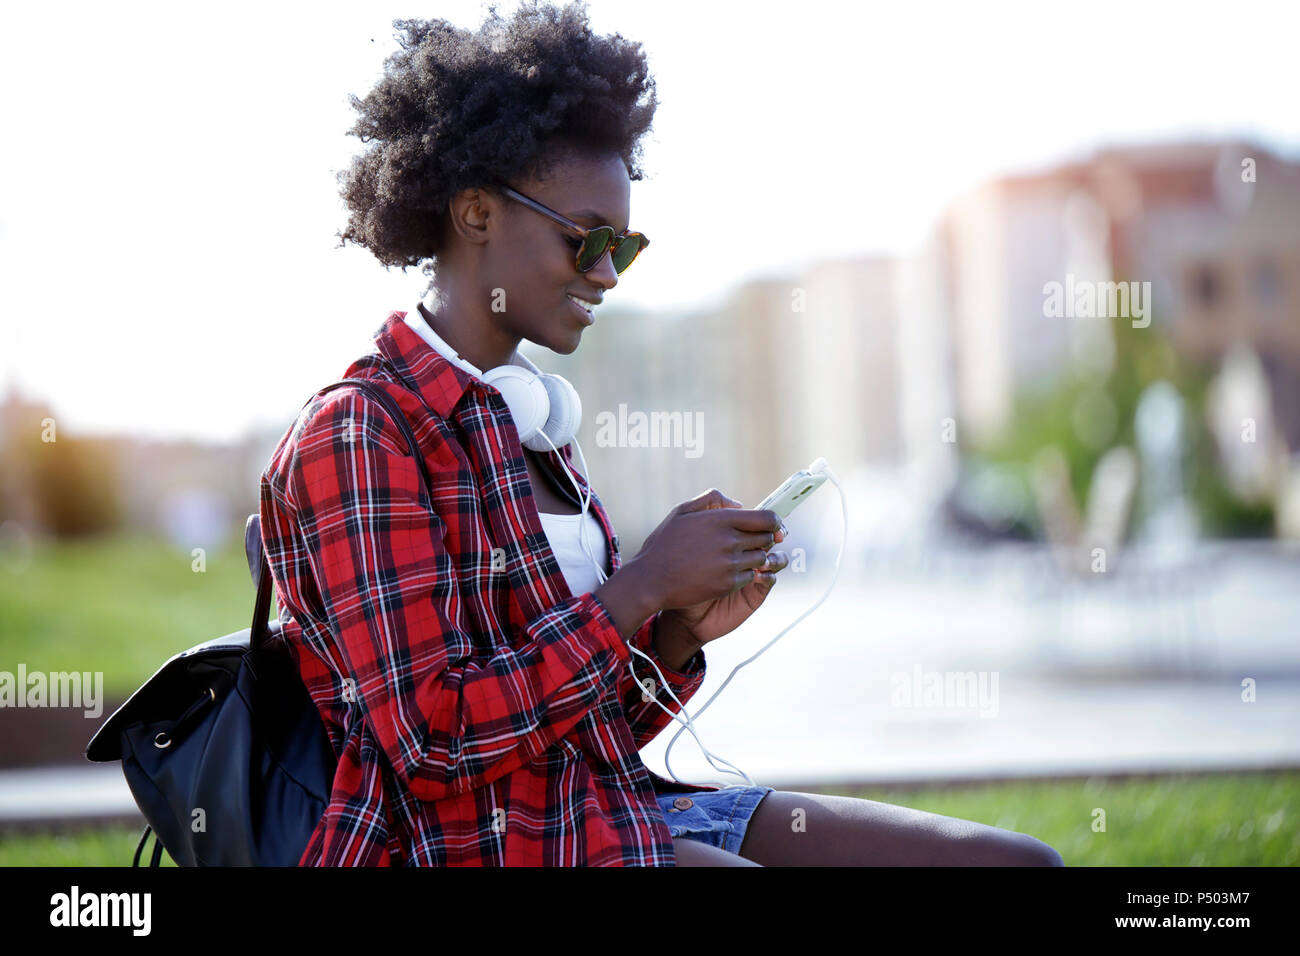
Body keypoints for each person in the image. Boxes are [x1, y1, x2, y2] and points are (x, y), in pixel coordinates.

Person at [259, 0, 1064, 867]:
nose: (606, 273)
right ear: (476, 213)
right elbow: (435, 743)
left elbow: (595, 725)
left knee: (1015, 866)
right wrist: (639, 587)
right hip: (464, 848)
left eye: (624, 247)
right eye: (586, 240)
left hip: (611, 811)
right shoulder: (361, 433)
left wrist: (677, 630)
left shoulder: (533, 426)